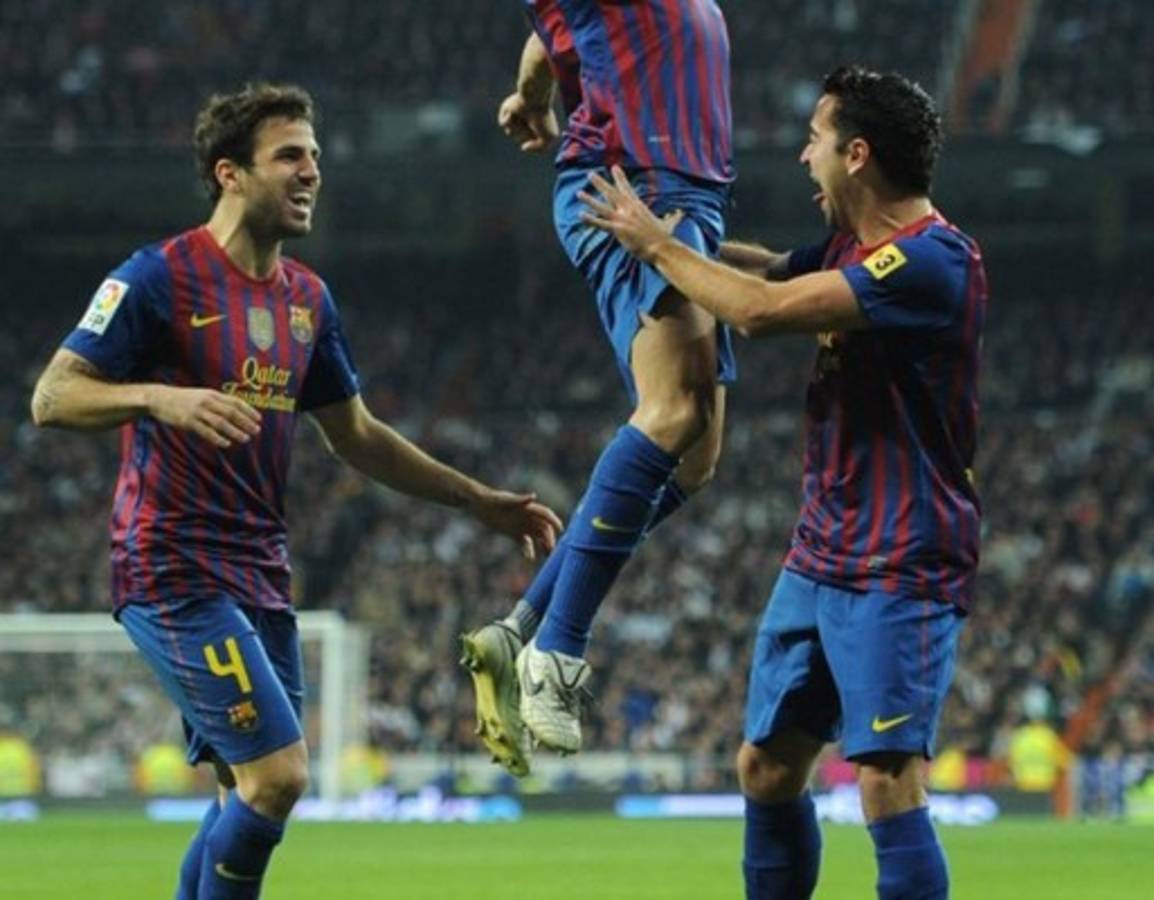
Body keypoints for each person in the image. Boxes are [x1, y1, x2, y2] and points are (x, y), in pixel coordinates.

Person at [29, 82, 561, 900]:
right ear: (230, 173)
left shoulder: (307, 299)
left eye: (314, 156)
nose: (312, 171)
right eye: (289, 156)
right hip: (172, 569)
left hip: (261, 573)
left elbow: (357, 436)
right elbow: (53, 396)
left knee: (241, 794)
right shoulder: (157, 276)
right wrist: (159, 398)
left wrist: (477, 500)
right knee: (277, 777)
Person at [581, 66, 988, 900]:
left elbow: (761, 312)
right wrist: (672, 231)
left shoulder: (932, 259)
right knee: (766, 766)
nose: (805, 157)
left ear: (856, 155)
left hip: (900, 558)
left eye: (814, 139)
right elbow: (767, 271)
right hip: (821, 551)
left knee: (885, 778)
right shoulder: (849, 248)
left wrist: (655, 245)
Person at [461, 0, 736, 778]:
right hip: (633, 181)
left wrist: (533, 96)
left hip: (690, 189)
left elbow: (548, 37)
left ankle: (518, 628)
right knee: (672, 411)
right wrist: (536, 94)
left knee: (697, 456)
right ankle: (557, 653)